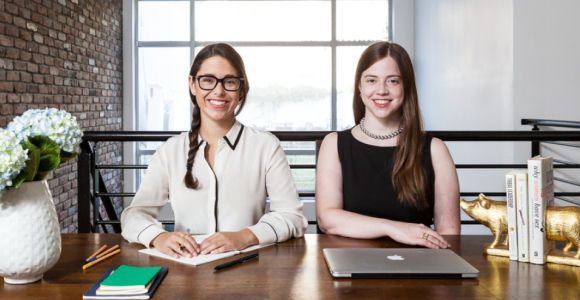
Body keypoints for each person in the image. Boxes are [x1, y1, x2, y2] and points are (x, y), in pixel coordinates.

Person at [121, 43, 307, 258]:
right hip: (185, 271)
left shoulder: (265, 146)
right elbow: (134, 216)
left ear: (241, 89)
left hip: (247, 269)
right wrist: (159, 237)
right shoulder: (170, 151)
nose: (218, 91)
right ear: (192, 84)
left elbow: (292, 216)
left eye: (229, 82)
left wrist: (244, 236)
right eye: (208, 80)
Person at [315, 41, 460, 249]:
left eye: (393, 81)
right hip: (349, 267)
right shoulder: (334, 144)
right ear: (359, 86)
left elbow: (449, 234)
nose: (381, 90)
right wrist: (393, 228)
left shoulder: (435, 149)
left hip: (416, 268)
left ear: (406, 86)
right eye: (371, 80)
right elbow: (327, 219)